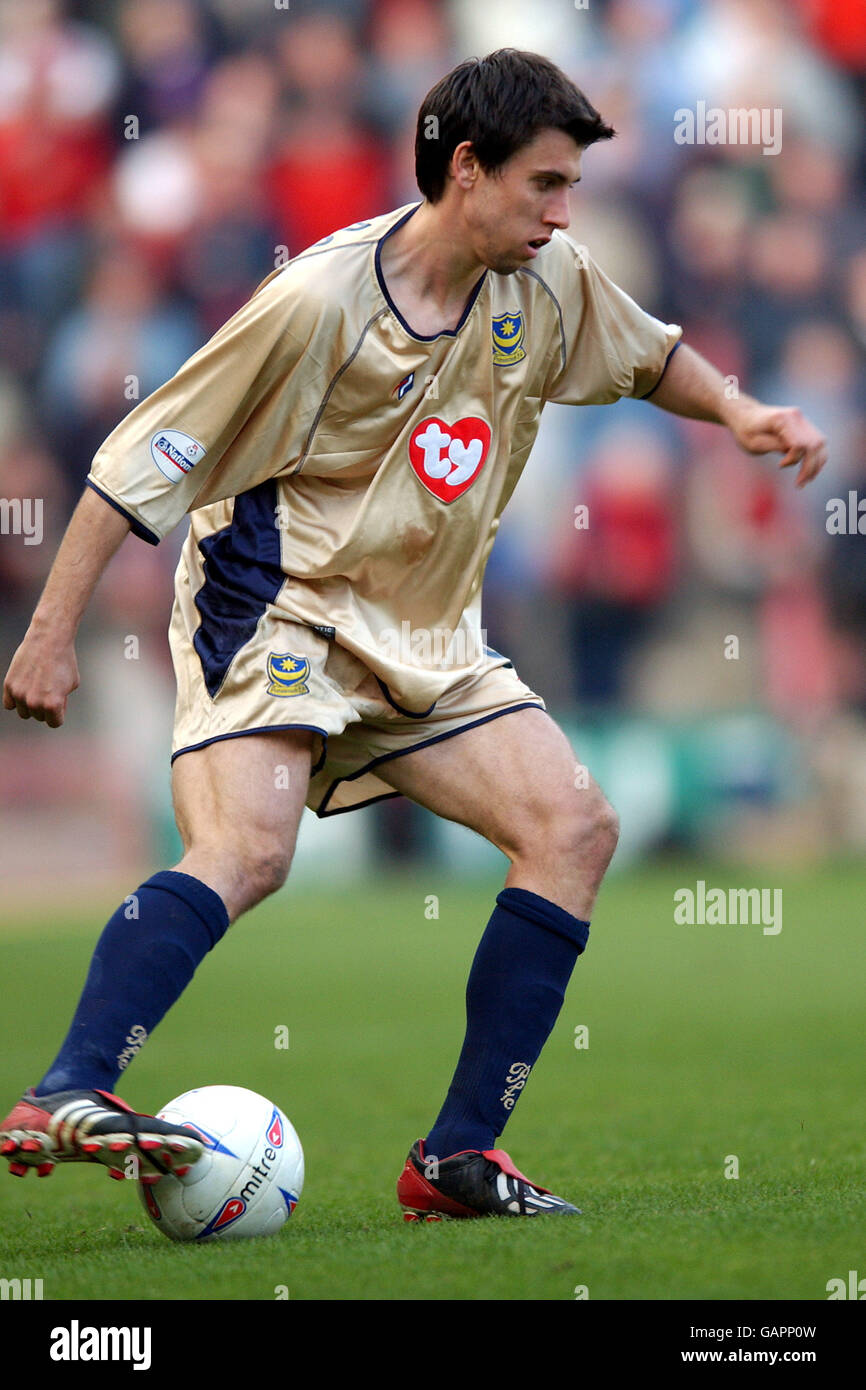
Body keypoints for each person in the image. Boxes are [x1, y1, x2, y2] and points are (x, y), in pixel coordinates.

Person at [1, 50, 827, 1220]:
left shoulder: (546, 279)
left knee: (571, 827)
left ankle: (454, 1159)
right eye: (543, 182)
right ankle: (67, 1088)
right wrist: (48, 636)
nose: (561, 208)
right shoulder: (314, 300)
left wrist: (738, 409)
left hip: (427, 637)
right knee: (249, 849)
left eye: (571, 185)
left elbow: (648, 354)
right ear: (466, 170)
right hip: (275, 605)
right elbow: (144, 457)